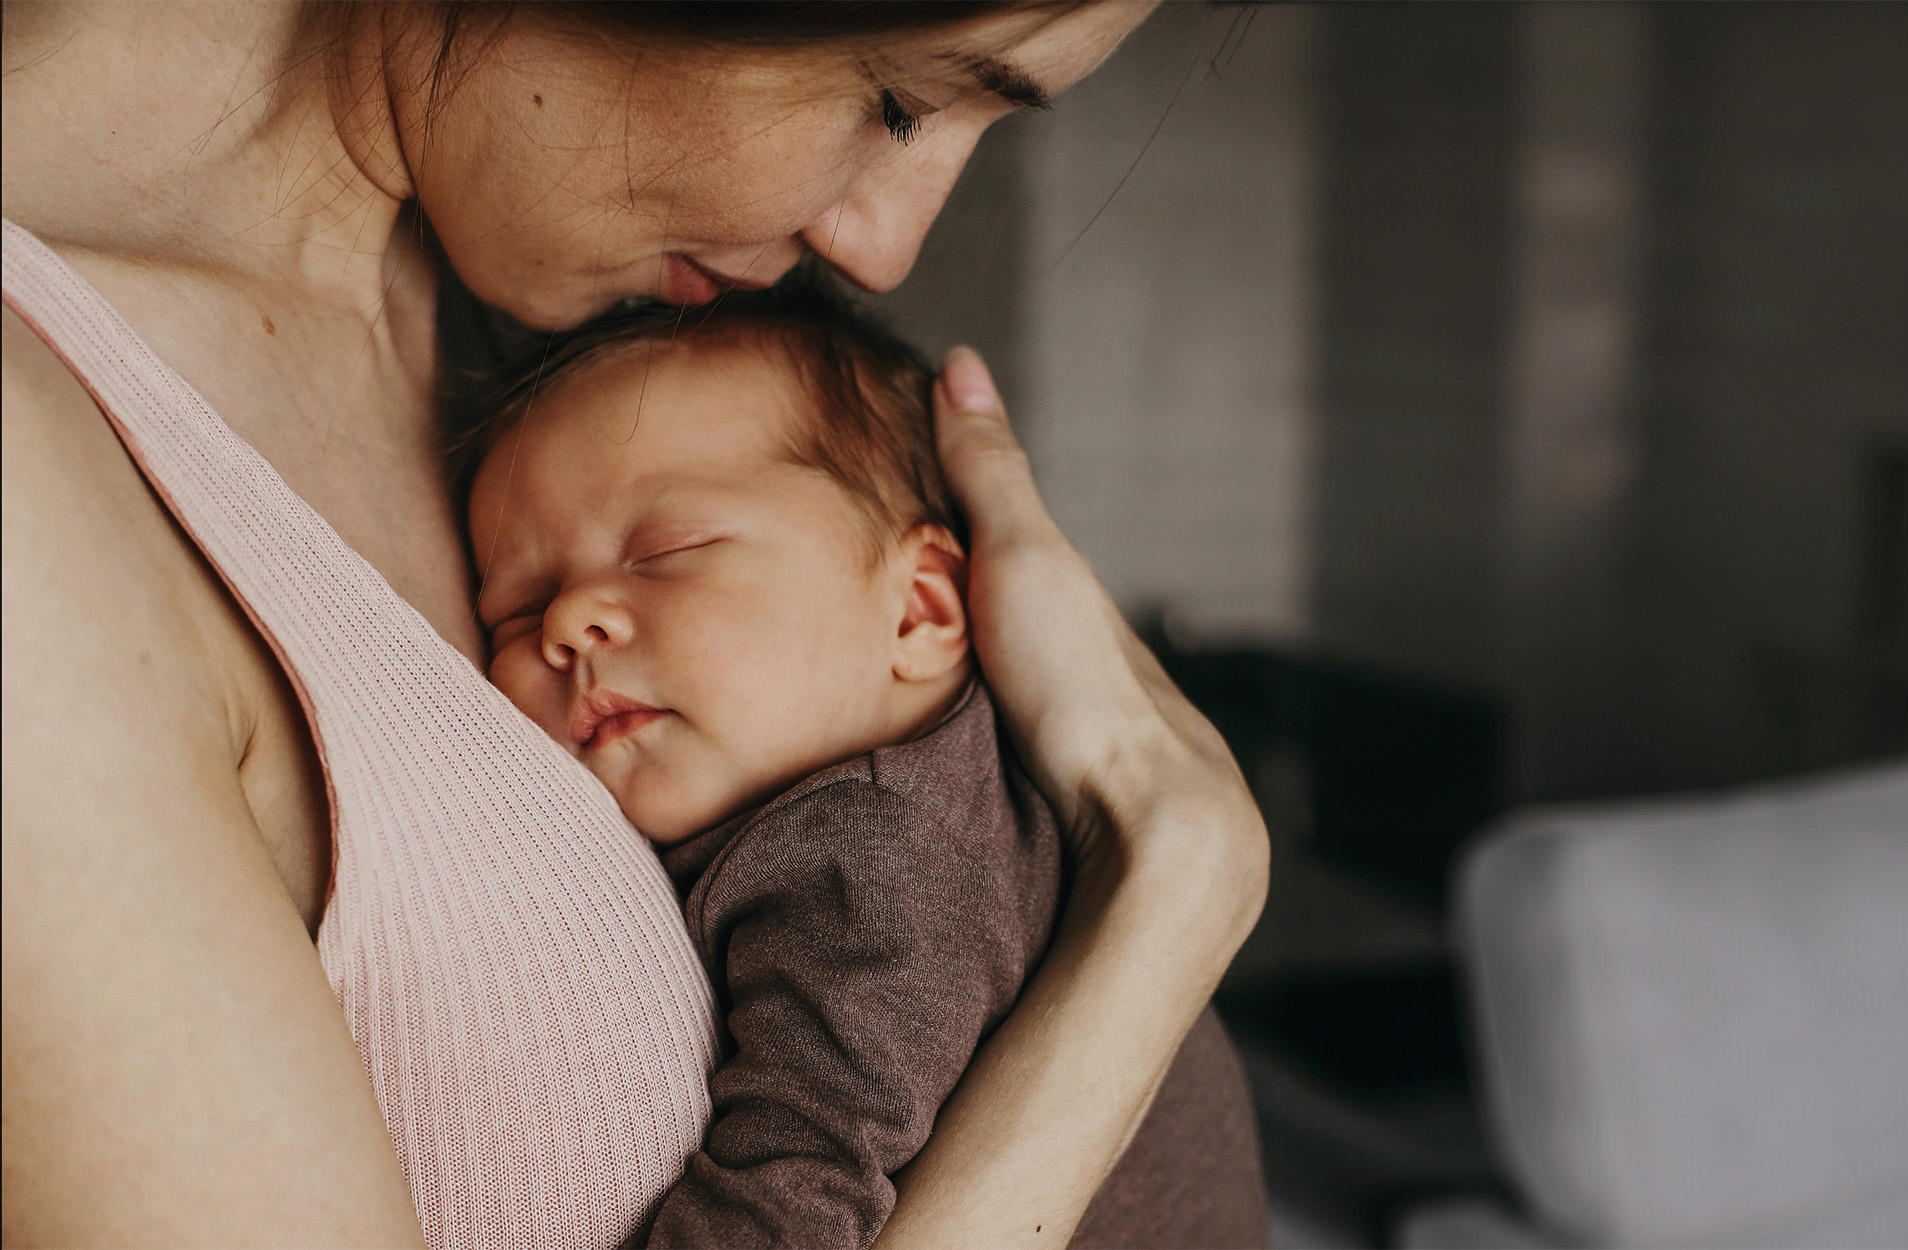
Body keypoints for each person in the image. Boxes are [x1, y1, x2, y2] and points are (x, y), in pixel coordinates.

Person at [0, 3, 1270, 1247]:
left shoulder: (547, 323)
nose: (881, 248)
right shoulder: (35, 485)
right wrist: (1171, 897)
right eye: (894, 98)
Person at [461, 285, 1268, 1248]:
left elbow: (794, 1193)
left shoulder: (880, 858)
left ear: (920, 610)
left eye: (668, 551)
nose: (567, 621)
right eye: (515, 610)